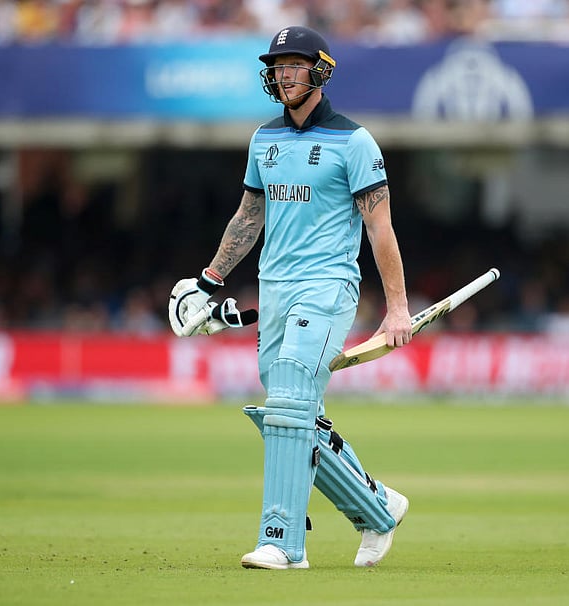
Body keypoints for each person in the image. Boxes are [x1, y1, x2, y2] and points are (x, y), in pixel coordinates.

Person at [168, 25, 411, 570]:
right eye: (278, 66)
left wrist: (396, 307)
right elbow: (249, 217)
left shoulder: (355, 142)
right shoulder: (264, 140)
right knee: (294, 416)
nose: (284, 75)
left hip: (327, 287)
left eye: (296, 65)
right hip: (273, 288)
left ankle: (282, 542)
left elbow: (381, 230)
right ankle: (377, 507)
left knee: (288, 403)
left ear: (320, 71)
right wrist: (209, 281)